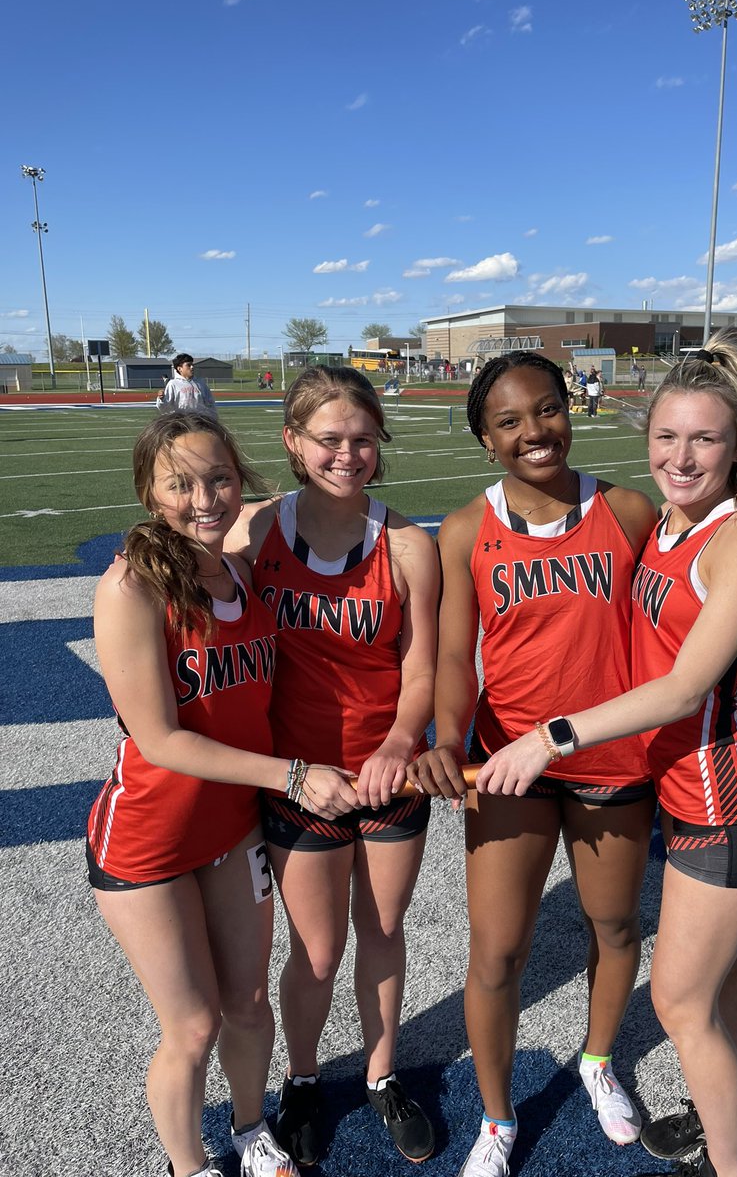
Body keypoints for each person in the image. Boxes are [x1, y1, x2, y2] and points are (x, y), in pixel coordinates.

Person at [408, 351, 737, 1177]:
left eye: (546, 409)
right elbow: (455, 662)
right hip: (510, 763)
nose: (534, 431)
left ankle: (598, 1060)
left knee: (613, 928)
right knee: (496, 951)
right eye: (509, 421)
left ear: (567, 410)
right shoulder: (466, 529)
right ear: (484, 438)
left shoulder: (631, 507)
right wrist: (444, 738)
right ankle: (498, 1120)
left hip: (615, 762)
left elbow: (691, 616)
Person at [86, 411, 343, 1177]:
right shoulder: (131, 587)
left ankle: (247, 1128)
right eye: (180, 483)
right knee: (193, 1026)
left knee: (249, 1003)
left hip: (231, 829)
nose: (205, 498)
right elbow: (161, 739)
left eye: (220, 477)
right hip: (148, 842)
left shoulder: (234, 561)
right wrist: (293, 775)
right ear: (147, 490)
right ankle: (188, 1165)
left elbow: (312, 499)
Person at [225, 366, 440, 1168]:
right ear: (293, 441)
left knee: (383, 931)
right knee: (315, 952)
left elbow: (419, 671)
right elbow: (188, 590)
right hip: (300, 780)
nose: (346, 453)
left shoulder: (410, 545)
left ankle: (382, 1076)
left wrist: (398, 741)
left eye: (361, 439)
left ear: (379, 444)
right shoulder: (251, 530)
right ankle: (305, 1079)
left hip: (390, 777)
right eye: (327, 438)